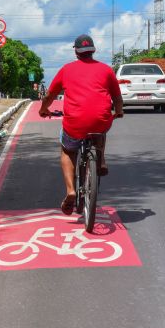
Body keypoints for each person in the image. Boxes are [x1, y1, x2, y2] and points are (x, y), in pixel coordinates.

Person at [39, 34, 123, 215]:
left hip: (74, 124)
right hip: (100, 121)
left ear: (76, 52)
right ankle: (100, 159)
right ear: (93, 51)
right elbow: (117, 96)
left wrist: (43, 109)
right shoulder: (106, 70)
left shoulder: (66, 69)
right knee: (100, 129)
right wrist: (119, 111)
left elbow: (50, 96)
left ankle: (70, 190)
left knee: (67, 150)